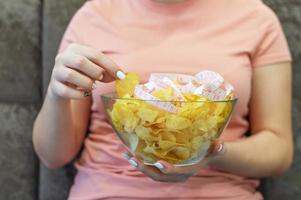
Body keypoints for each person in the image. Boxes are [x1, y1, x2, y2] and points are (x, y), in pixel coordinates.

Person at [33, 0, 293, 199]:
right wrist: (57, 94)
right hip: (108, 190)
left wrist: (213, 153)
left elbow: (278, 149)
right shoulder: (93, 16)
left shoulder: (257, 18)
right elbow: (54, 156)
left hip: (221, 192)